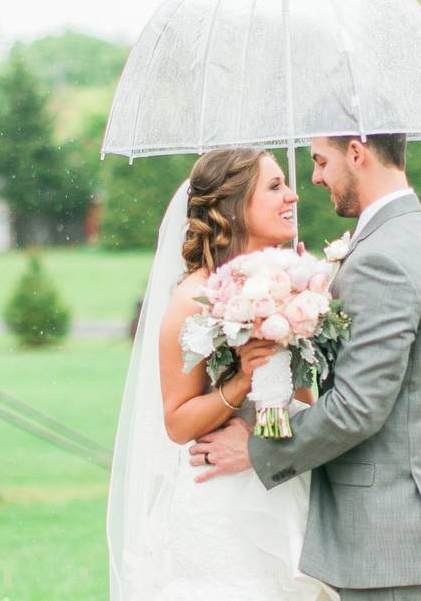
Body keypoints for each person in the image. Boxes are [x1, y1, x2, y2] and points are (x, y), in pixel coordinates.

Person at [191, 134, 421, 601]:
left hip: (381, 536)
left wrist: (257, 450)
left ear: (356, 153)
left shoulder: (383, 257)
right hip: (405, 519)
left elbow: (357, 407)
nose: (314, 177)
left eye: (321, 161)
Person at [107, 147, 337, 600]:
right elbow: (176, 422)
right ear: (233, 207)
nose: (293, 196)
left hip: (284, 481)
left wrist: (307, 301)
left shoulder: (297, 283)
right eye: (274, 187)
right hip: (222, 502)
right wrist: (239, 382)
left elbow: (306, 400)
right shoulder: (193, 298)